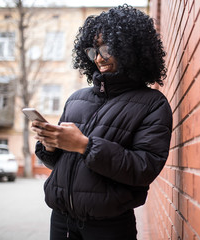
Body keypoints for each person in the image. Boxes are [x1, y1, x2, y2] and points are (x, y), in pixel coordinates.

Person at [31, 4, 172, 240]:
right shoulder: (77, 99)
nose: (98, 58)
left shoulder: (153, 104)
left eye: (107, 49)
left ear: (131, 50)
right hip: (61, 221)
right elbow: (56, 163)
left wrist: (85, 146)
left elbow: (144, 168)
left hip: (110, 226)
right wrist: (50, 144)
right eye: (93, 50)